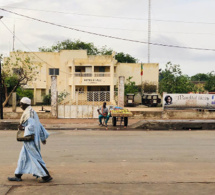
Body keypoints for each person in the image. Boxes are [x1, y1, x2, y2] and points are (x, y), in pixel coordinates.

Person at [8, 97, 52, 183]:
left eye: (21, 104)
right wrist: (42, 137)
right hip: (28, 141)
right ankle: (18, 175)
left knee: (36, 158)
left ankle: (46, 176)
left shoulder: (29, 113)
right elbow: (39, 126)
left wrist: (23, 127)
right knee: (22, 157)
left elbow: (32, 127)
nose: (20, 106)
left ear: (25, 104)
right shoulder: (31, 112)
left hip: (30, 140)